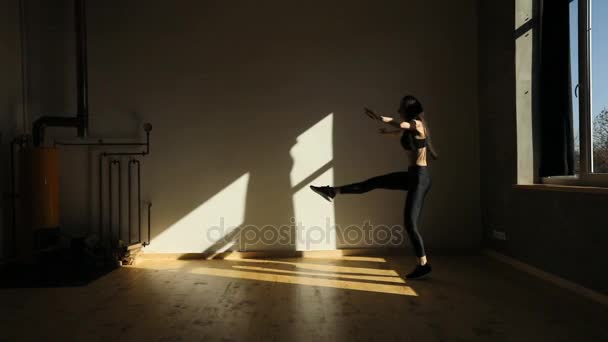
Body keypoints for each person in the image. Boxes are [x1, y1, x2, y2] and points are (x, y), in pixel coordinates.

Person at [310, 95, 438, 279]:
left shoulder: (417, 124)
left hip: (420, 178)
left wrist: (380, 118)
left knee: (410, 223)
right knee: (373, 182)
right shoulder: (410, 128)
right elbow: (399, 131)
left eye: (401, 108)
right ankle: (332, 191)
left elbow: (399, 125)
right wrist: (387, 133)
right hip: (412, 176)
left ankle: (423, 265)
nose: (398, 110)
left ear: (408, 110)